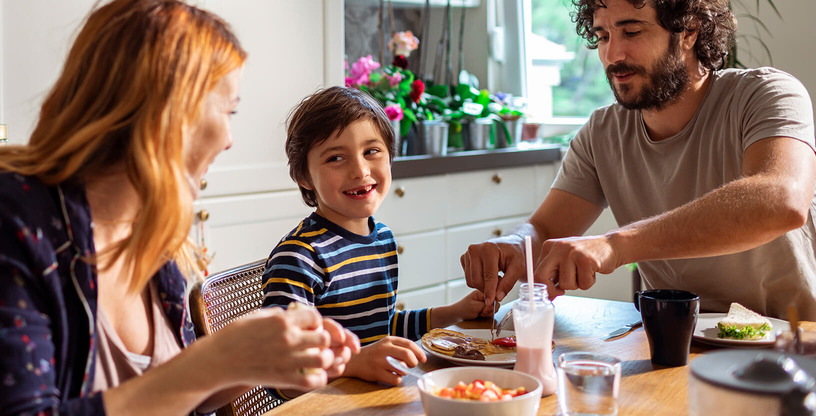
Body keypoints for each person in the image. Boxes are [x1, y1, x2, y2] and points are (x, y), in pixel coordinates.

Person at [0, 1, 360, 415]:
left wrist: (256, 359)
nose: (229, 140)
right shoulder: (3, 221)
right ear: (169, 112)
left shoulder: (148, 229)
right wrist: (211, 362)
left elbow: (175, 393)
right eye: (229, 110)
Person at [460, 0, 816, 319]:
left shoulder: (767, 95)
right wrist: (515, 244)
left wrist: (615, 245)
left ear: (688, 31)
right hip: (674, 343)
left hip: (789, 343)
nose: (613, 55)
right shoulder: (602, 133)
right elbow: (547, 230)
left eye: (631, 31)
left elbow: (780, 201)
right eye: (602, 36)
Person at [262, 86, 487, 397]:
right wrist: (351, 363)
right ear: (304, 177)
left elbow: (382, 325)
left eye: (371, 151)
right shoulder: (300, 257)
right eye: (336, 158)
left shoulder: (381, 237)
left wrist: (452, 314)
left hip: (373, 399)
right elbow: (281, 372)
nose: (360, 170)